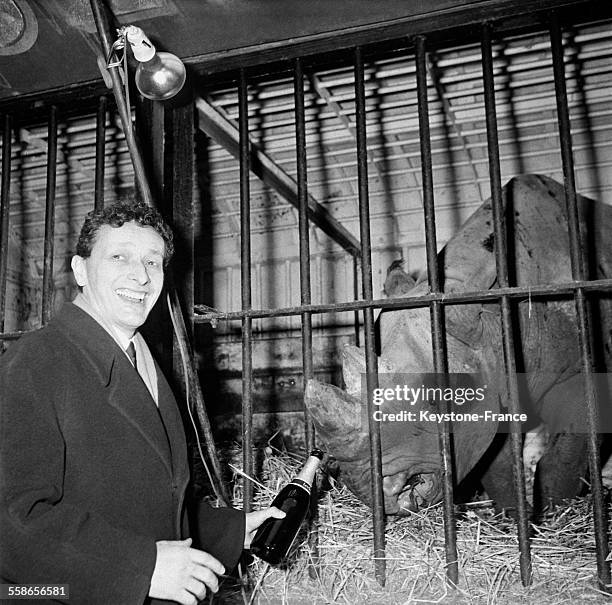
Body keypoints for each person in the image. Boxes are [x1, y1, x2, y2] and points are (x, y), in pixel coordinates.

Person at [0, 200, 284, 605]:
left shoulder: (143, 362)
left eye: (153, 262)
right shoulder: (36, 361)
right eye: (120, 257)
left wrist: (232, 530)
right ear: (80, 270)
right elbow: (12, 521)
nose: (140, 275)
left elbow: (142, 499)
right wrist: (141, 567)